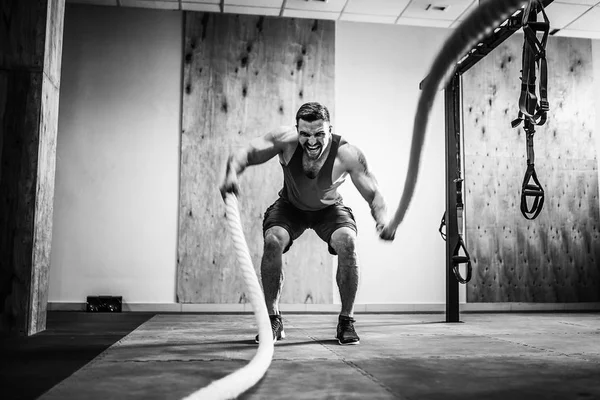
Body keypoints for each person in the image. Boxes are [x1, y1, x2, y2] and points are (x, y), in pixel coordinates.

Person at [220, 102, 396, 345]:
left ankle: (346, 321)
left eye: (319, 134)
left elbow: (375, 194)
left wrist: (383, 222)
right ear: (297, 130)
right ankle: (273, 320)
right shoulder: (285, 141)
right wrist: (231, 174)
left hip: (329, 209)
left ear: (330, 129)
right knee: (273, 239)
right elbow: (246, 154)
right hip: (291, 206)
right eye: (305, 134)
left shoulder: (346, 154)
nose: (312, 141)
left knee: (348, 241)